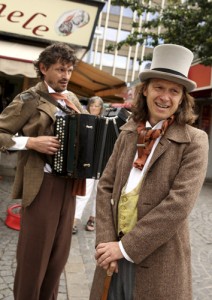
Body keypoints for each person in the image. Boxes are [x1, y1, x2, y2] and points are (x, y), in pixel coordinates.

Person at [89, 44, 209, 300]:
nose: (165, 97)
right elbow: (105, 186)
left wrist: (125, 247)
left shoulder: (195, 140)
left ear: (182, 99)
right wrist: (106, 243)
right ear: (144, 91)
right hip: (113, 256)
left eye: (174, 91)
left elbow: (178, 205)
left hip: (159, 259)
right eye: (159, 87)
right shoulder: (129, 131)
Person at [0, 43, 87, 300]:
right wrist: (30, 142)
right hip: (42, 186)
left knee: (57, 258)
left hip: (69, 187)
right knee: (34, 258)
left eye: (69, 70)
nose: (66, 75)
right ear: (43, 68)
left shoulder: (71, 99)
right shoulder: (28, 98)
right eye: (60, 69)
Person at [72, 96, 104, 234]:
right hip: (87, 161)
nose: (94, 108)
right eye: (92, 105)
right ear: (89, 106)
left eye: (97, 106)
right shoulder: (83, 120)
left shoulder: (106, 122)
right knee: (84, 192)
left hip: (103, 161)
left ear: (101, 108)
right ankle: (75, 219)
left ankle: (93, 217)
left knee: (99, 192)